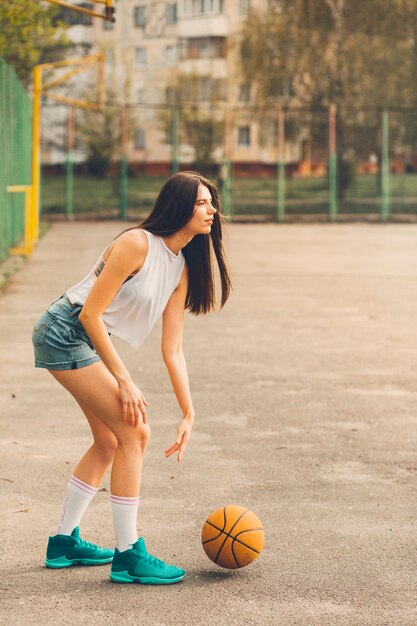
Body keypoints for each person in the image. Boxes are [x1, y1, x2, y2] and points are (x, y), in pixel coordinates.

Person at [32, 171, 232, 585]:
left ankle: (63, 542)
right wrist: (123, 378)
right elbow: (88, 314)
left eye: (211, 202)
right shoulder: (136, 244)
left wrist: (189, 411)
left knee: (110, 439)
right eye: (201, 203)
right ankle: (128, 555)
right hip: (64, 329)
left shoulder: (181, 269)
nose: (212, 210)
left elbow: (172, 349)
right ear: (178, 207)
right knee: (135, 432)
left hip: (86, 336)